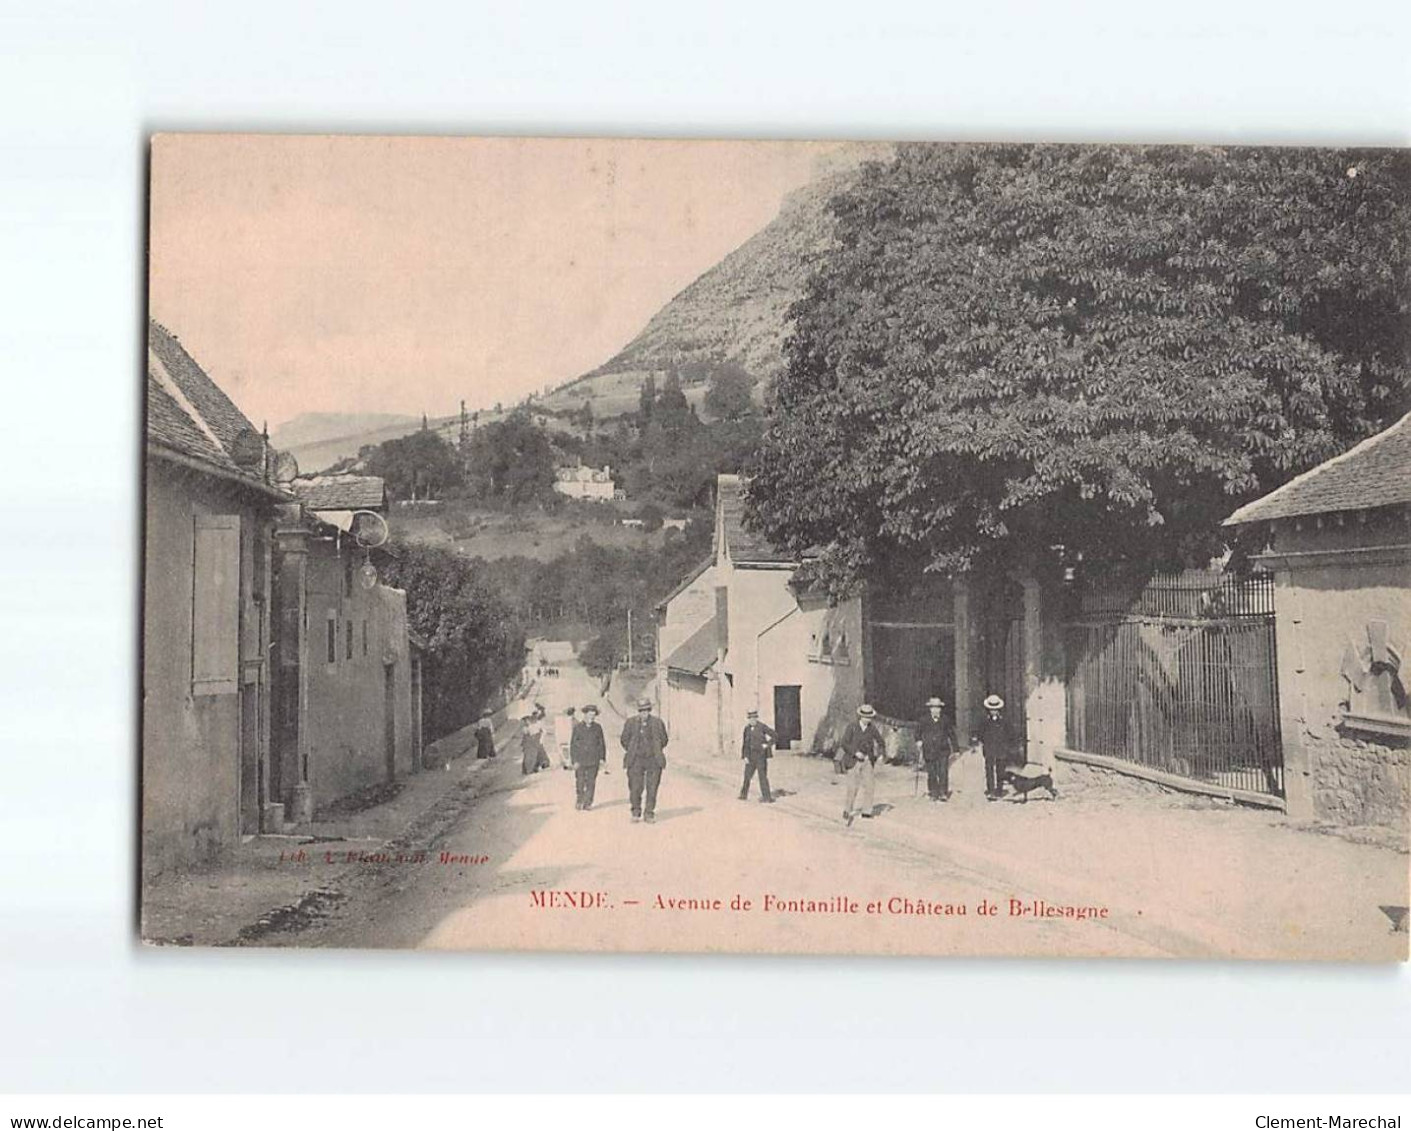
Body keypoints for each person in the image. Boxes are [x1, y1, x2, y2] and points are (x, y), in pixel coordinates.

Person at [620, 697, 668, 824]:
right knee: (635, 787)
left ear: (649, 710)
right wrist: (633, 750)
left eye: (646, 710)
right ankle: (635, 812)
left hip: (653, 759)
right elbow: (624, 740)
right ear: (638, 711)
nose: (644, 713)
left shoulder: (658, 723)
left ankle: (649, 813)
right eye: (641, 711)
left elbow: (664, 740)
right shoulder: (630, 723)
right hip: (636, 759)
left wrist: (655, 750)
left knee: (652, 788)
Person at [837, 704, 886, 826]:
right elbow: (844, 743)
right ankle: (847, 810)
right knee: (852, 787)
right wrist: (855, 752)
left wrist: (880, 754)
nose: (867, 719)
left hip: (867, 760)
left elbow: (881, 741)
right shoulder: (852, 727)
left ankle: (867, 811)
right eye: (865, 717)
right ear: (861, 716)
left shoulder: (872, 728)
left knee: (870, 785)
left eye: (869, 717)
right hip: (853, 761)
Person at [917, 696, 955, 801]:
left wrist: (956, 749)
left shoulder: (945, 720)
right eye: (933, 708)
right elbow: (917, 733)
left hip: (943, 749)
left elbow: (951, 734)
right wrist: (919, 741)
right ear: (930, 709)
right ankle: (933, 792)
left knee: (943, 771)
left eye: (937, 708)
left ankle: (943, 792)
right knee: (932, 772)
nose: (935, 710)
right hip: (929, 749)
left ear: (940, 709)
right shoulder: (924, 720)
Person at [570, 703, 607, 810]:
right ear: (585, 715)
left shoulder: (597, 728)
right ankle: (580, 799)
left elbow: (601, 743)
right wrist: (574, 760)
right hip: (580, 760)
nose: (592, 717)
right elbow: (573, 745)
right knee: (580, 781)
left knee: (591, 782)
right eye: (590, 715)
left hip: (593, 759)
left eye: (593, 715)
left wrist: (602, 758)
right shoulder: (578, 728)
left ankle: (588, 802)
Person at [739, 709, 776, 803]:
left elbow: (775, 735)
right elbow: (745, 744)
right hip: (751, 757)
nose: (752, 720)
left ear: (756, 718)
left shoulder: (762, 727)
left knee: (762, 776)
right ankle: (743, 795)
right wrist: (745, 756)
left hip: (760, 756)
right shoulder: (746, 729)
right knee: (747, 776)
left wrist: (767, 745)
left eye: (754, 718)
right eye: (750, 719)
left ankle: (767, 797)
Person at [978, 693, 1009, 800]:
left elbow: (1009, 734)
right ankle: (991, 790)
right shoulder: (984, 721)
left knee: (1001, 770)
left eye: (995, 709)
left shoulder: (1004, 721)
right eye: (991, 709)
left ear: (999, 709)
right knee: (989, 769)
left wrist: (1006, 745)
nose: (993, 711)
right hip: (989, 748)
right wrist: (985, 743)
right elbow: (980, 734)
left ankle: (999, 789)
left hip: (1001, 749)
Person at [521, 705, 551, 775]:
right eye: (526, 720)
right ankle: (531, 768)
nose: (527, 720)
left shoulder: (538, 723)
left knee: (538, 753)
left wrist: (541, 739)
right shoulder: (526, 726)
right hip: (530, 742)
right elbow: (525, 734)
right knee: (531, 754)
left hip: (536, 739)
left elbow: (543, 731)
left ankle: (541, 764)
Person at [554, 706, 576, 770]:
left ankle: (565, 763)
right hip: (570, 737)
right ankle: (569, 763)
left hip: (561, 737)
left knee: (563, 751)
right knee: (570, 751)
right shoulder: (573, 720)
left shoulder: (560, 719)